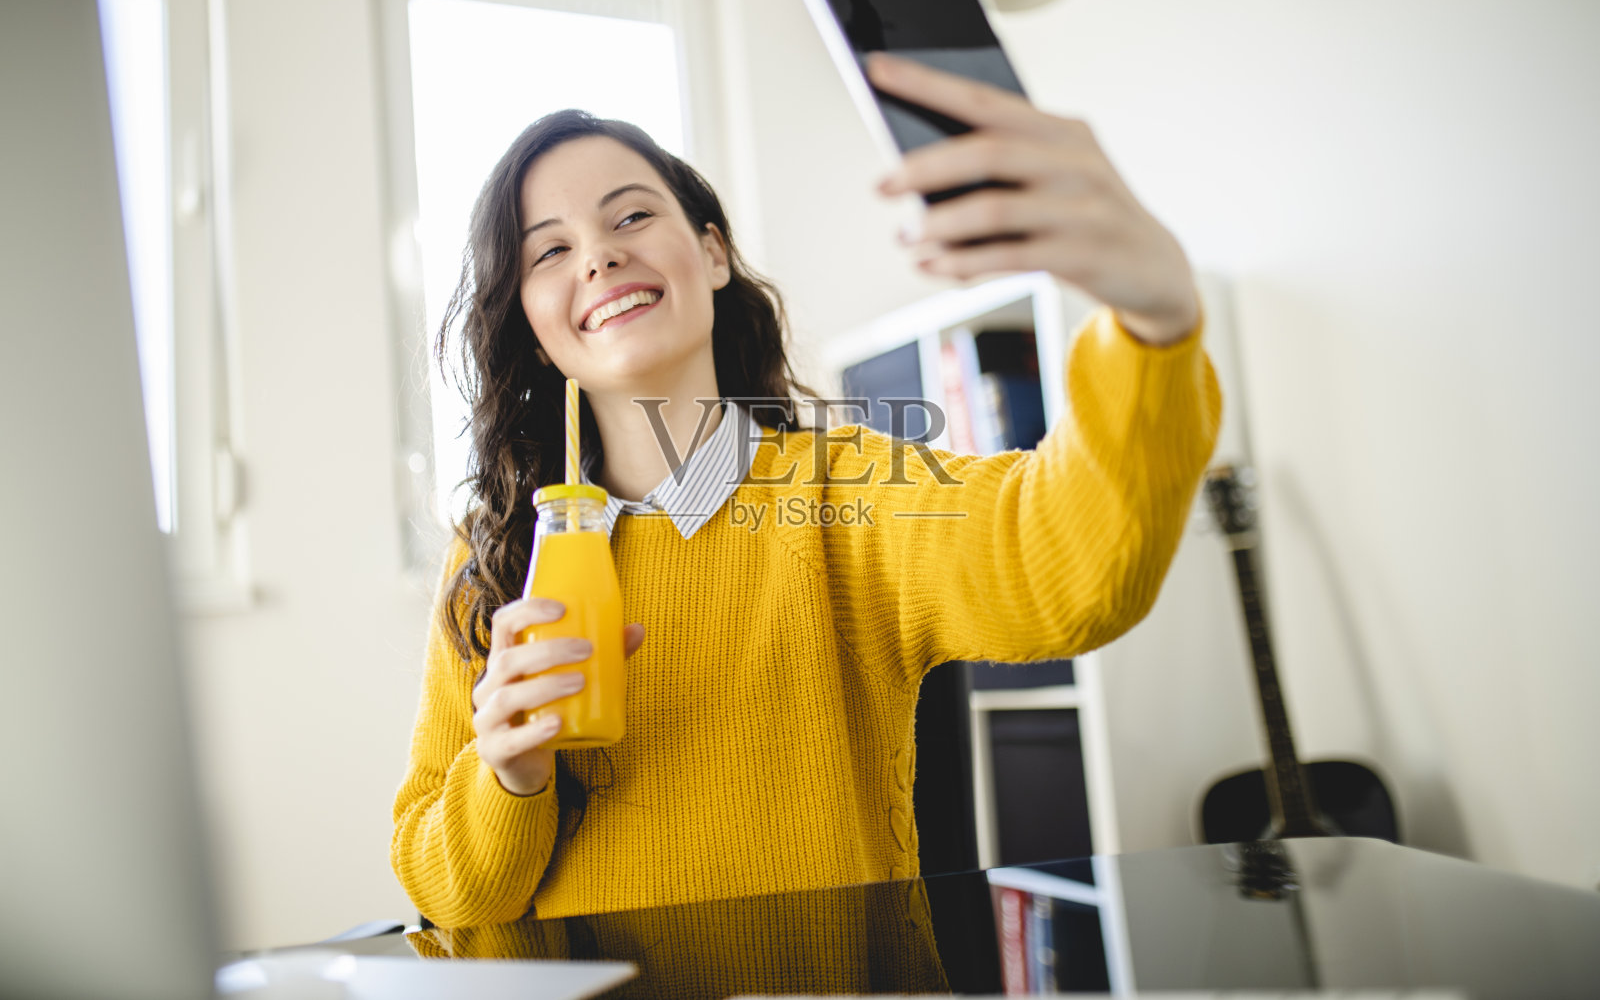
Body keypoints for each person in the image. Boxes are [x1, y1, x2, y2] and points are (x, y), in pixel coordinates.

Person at [392, 54, 1222, 929]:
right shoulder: (494, 555)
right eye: (551, 250)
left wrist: (1155, 322)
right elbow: (442, 891)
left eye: (631, 215)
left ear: (711, 253)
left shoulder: (849, 492)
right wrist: (507, 776)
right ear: (530, 322)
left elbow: (1071, 568)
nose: (599, 256)